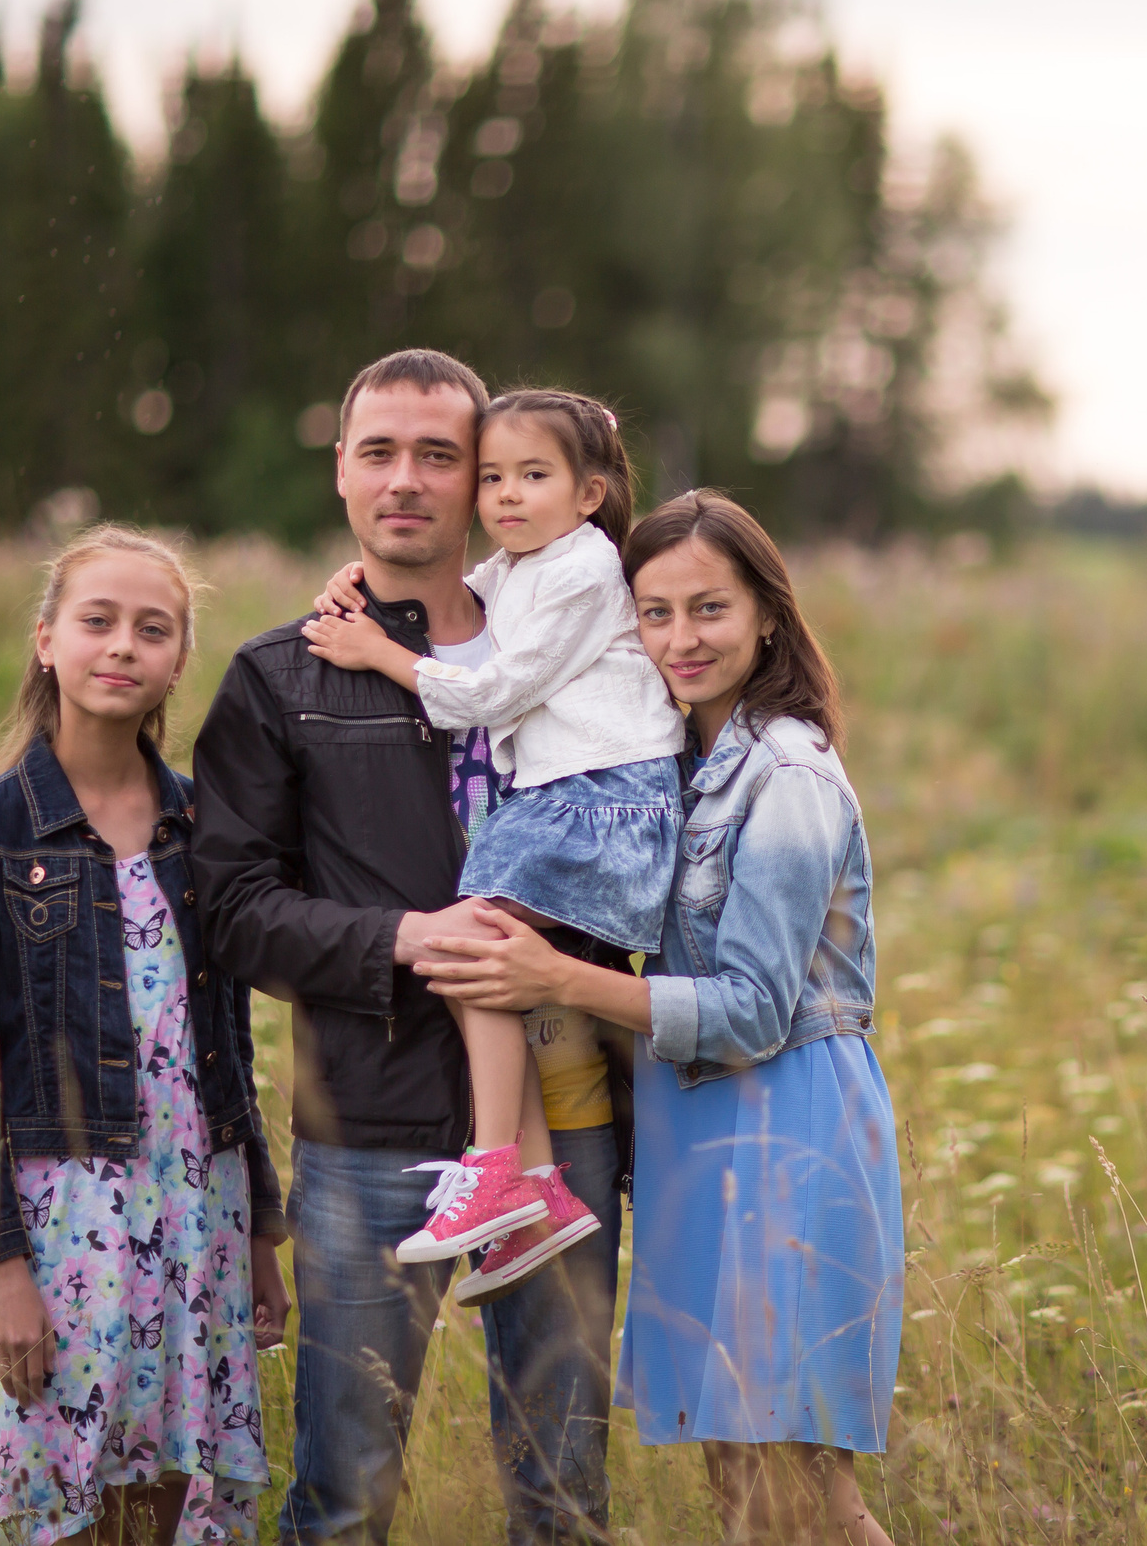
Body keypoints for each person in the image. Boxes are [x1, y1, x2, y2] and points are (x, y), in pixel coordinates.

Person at [189, 350, 627, 1544]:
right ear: (340, 471)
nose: (408, 481)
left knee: (562, 1499)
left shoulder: (574, 631)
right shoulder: (284, 678)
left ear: (484, 480)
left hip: (561, 1121)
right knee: (342, 1500)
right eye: (379, 451)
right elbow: (229, 910)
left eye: (441, 456)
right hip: (367, 1130)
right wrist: (402, 937)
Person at [416, 489, 903, 1546]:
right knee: (737, 1477)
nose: (681, 640)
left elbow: (753, 1012)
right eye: (655, 612)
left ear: (766, 615)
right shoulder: (672, 765)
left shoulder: (786, 777)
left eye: (709, 610)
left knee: (807, 1489)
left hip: (787, 1118)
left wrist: (554, 977)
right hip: (697, 1122)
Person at [0, 525, 288, 1544]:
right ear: (47, 641)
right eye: (97, 621)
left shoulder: (203, 831)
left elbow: (230, 1041)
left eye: (152, 629)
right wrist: (0, 1274)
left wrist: (259, 1229)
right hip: (60, 1228)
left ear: (176, 659)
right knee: (59, 1498)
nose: (122, 645)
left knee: (170, 1489)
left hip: (198, 1211)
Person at [300, 388, 683, 1304]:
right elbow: (449, 624)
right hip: (570, 801)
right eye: (496, 477)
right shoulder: (519, 568)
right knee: (477, 944)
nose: (507, 496)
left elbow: (488, 691)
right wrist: (356, 597)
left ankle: (495, 1160)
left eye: (534, 476)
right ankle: (536, 1191)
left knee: (467, 938)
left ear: (590, 493)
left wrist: (380, 656)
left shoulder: (587, 569)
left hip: (607, 802)